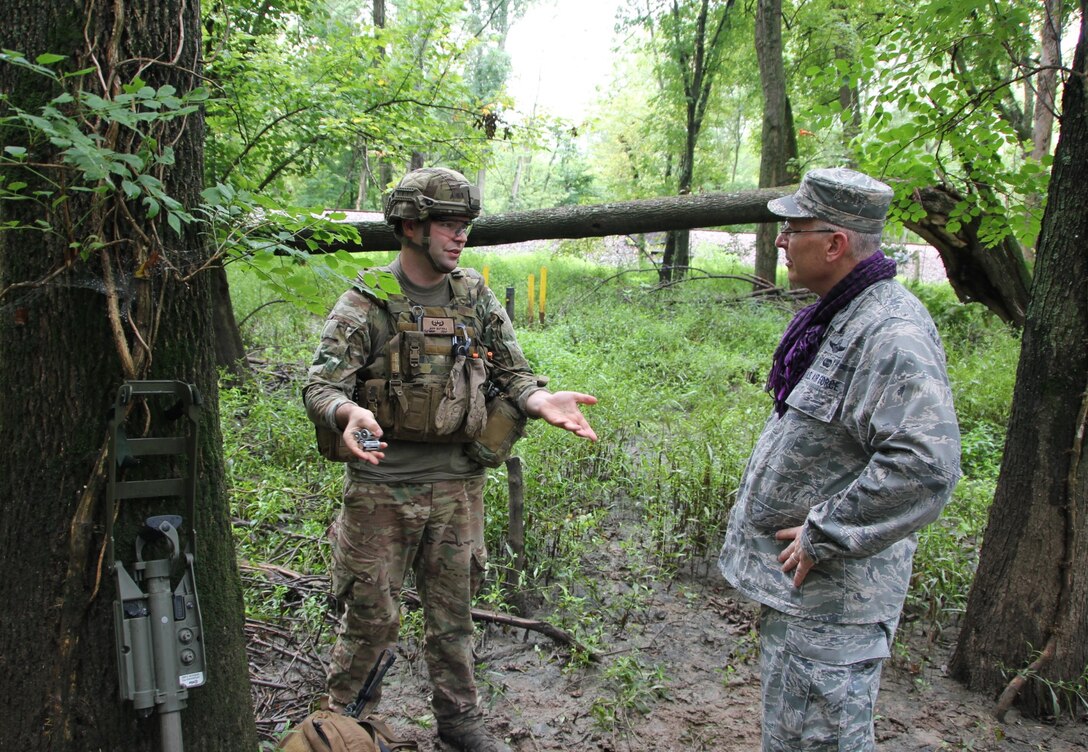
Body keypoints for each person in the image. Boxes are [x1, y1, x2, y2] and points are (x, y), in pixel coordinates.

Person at [303, 167, 597, 752]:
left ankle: (460, 725)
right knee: (369, 618)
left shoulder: (475, 296)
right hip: (382, 489)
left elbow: (512, 372)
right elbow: (319, 386)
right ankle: (346, 730)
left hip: (459, 486)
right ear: (410, 225)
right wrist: (347, 414)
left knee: (453, 617)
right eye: (447, 224)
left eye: (465, 225)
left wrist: (540, 400)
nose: (459, 236)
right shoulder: (367, 301)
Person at [718, 167, 961, 751]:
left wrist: (826, 532)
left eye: (793, 228)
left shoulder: (889, 330)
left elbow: (926, 463)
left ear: (835, 243)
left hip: (836, 606)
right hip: (806, 604)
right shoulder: (842, 314)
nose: (779, 239)